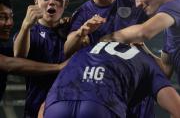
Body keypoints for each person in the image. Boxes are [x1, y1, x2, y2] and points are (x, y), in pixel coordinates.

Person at [64, 0, 157, 118]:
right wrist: (81, 32)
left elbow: (165, 12)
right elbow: (67, 48)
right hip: (104, 97)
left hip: (139, 95)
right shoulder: (82, 13)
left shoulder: (135, 3)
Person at [43, 41, 180, 118]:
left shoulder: (84, 51)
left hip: (56, 105)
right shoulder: (149, 64)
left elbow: (46, 103)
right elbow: (177, 109)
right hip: (100, 106)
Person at [100, 0, 180, 83]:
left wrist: (103, 39)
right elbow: (165, 71)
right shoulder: (170, 24)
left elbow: (143, 32)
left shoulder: (175, 4)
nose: (137, 4)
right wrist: (144, 50)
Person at [13, 0, 70, 117]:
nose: (52, 2)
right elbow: (18, 58)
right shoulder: (28, 33)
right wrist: (25, 26)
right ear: (36, 2)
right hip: (35, 109)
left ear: (66, 3)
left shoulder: (73, 32)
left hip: (68, 109)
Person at [0, 0, 68, 102]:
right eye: (2, 17)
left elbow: (23, 56)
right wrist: (59, 67)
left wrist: (56, 26)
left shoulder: (3, 50)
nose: (9, 23)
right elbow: (9, 64)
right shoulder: (5, 59)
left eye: (11, 16)